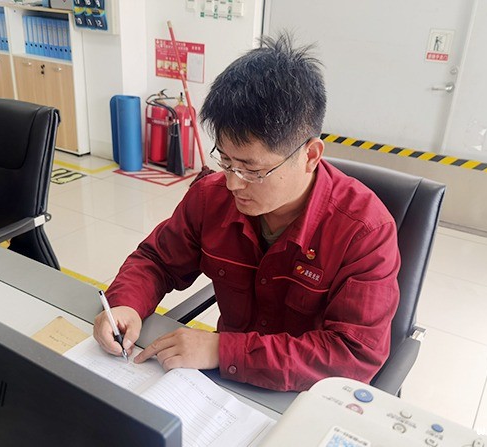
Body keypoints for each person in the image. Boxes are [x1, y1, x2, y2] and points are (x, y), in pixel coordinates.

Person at [94, 33, 400, 392]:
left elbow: (353, 355)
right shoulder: (211, 198)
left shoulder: (364, 231)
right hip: (226, 384)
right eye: (225, 160)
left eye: (252, 170)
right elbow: (157, 260)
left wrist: (223, 350)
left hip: (303, 394)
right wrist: (126, 305)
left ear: (311, 156)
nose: (233, 183)